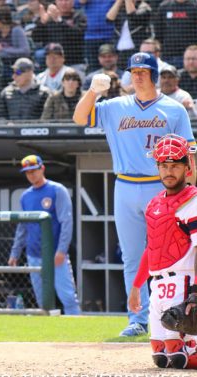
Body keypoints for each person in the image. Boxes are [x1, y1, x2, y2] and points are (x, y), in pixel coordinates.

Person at [73, 52, 196, 336]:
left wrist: (192, 190)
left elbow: (190, 152)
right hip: (125, 185)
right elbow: (80, 117)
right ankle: (137, 319)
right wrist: (93, 91)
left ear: (153, 74)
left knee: (172, 254)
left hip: (162, 186)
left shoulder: (174, 109)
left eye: (142, 70)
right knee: (131, 256)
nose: (137, 75)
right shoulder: (115, 105)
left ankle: (174, 314)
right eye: (133, 71)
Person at [129, 134, 197, 369]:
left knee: (178, 358)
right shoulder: (154, 203)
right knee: (160, 357)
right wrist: (137, 286)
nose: (169, 171)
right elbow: (152, 248)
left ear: (187, 167)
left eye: (175, 166)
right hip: (157, 285)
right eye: (164, 166)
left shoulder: (193, 200)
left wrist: (196, 291)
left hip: (183, 281)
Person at [8, 155, 80, 315]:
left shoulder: (57, 190)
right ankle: (50, 337)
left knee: (68, 298)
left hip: (55, 253)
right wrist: (15, 252)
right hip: (34, 254)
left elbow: (66, 222)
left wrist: (61, 250)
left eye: (34, 170)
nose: (31, 175)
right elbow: (22, 227)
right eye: (27, 172)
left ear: (42, 169)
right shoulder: (25, 196)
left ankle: (78, 336)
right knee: (43, 301)